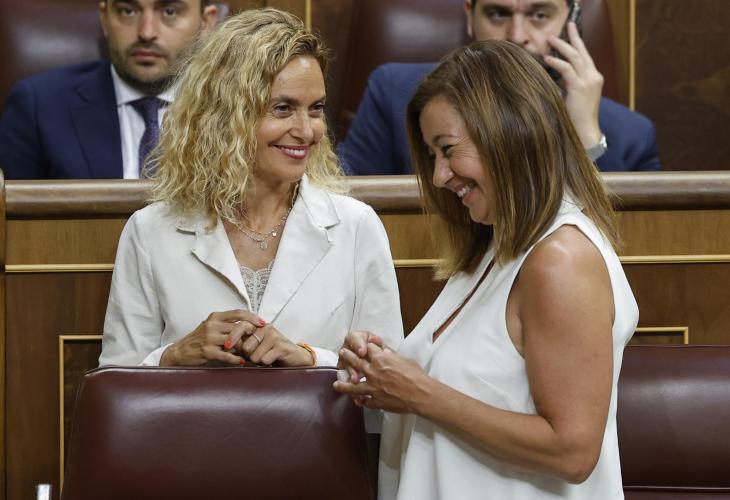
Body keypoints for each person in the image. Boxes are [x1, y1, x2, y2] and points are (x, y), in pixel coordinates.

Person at [335, 40, 638, 499]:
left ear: (509, 133)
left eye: (447, 150)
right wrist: (380, 368)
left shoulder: (560, 259)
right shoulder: (496, 246)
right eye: (432, 156)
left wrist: (418, 393)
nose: (439, 176)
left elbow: (572, 452)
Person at [99, 8, 403, 369]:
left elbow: (389, 382)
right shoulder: (150, 231)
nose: (306, 131)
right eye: (283, 108)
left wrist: (309, 358)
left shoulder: (357, 226)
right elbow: (115, 382)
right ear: (227, 115)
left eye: (316, 109)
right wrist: (174, 356)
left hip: (315, 411)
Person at [338, 0, 661, 174]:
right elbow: (350, 207)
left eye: (539, 14)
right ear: (470, 16)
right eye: (497, 14)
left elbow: (632, 248)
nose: (516, 35)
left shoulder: (631, 134)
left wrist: (588, 139)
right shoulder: (393, 93)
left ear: (571, 19)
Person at [0, 0, 219, 179]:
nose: (146, 32)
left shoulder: (231, 107)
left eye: (169, 12)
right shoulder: (38, 106)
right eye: (127, 11)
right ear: (104, 18)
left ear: (206, 22)